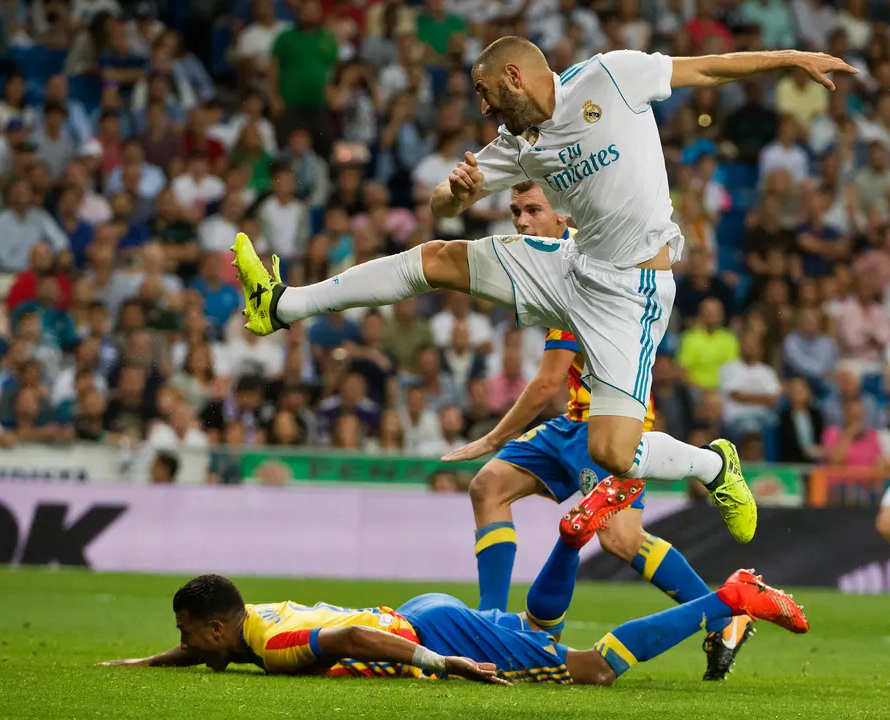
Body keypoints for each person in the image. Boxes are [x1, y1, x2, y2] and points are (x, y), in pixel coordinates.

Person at [234, 40, 855, 545]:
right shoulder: (514, 146)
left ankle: (715, 465)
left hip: (631, 293)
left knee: (613, 452)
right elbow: (441, 207)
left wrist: (793, 60)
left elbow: (710, 69)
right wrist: (454, 190)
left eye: (485, 94)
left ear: (514, 75)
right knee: (438, 259)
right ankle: (281, 304)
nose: (484, 111)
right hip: (570, 263)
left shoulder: (612, 77)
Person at [441, 181, 753, 680]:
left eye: (533, 211)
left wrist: (492, 437)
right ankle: (491, 624)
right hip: (573, 422)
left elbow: (545, 381)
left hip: (611, 428)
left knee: (622, 539)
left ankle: (725, 614)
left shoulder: (580, 271)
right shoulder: (554, 265)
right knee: (489, 487)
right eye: (516, 211)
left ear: (563, 219)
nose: (520, 221)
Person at [95, 529, 807, 684]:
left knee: (592, 670)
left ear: (218, 626)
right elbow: (198, 649)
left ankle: (731, 597)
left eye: (190, 635)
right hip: (419, 609)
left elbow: (346, 638)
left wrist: (447, 664)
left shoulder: (276, 649)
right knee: (537, 630)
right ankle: (570, 539)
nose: (186, 644)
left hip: (420, 630)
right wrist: (138, 661)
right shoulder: (253, 622)